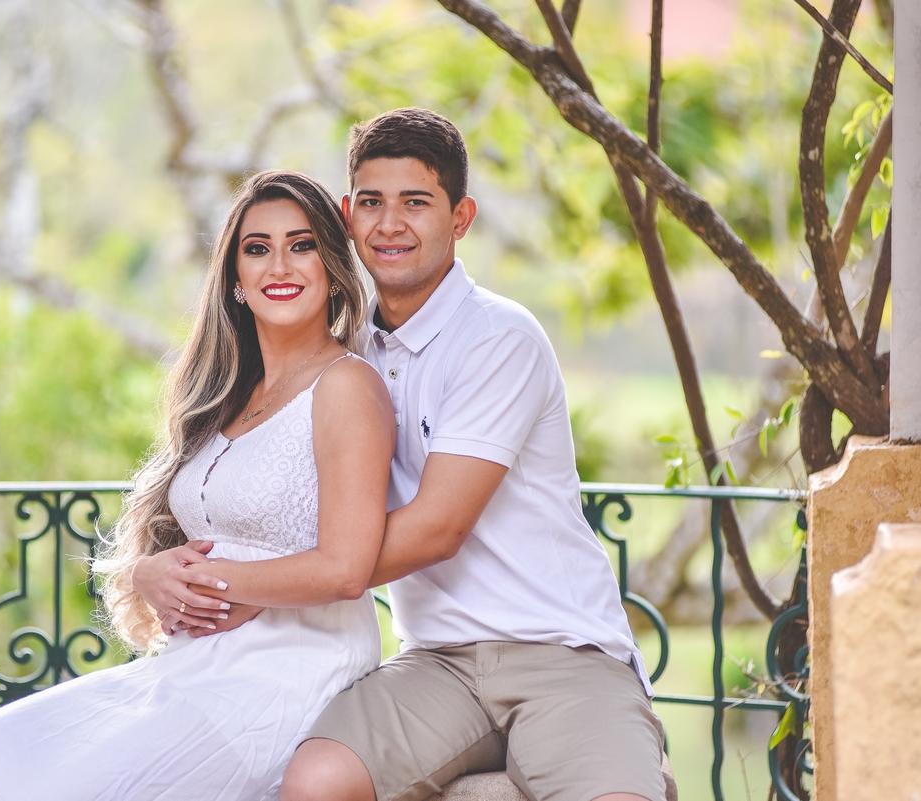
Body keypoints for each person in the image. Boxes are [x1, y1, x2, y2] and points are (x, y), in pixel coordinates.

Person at [159, 108, 671, 801]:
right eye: (371, 202)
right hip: (436, 662)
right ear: (346, 215)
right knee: (315, 781)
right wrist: (161, 572)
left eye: (416, 203)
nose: (389, 224)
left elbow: (438, 527)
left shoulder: (499, 339)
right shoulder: (347, 362)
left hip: (561, 653)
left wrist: (237, 582)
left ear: (460, 218)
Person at [0, 170, 395, 801]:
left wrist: (213, 582)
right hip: (192, 670)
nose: (279, 264)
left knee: (62, 788)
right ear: (235, 278)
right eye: (257, 248)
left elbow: (346, 569)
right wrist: (147, 574)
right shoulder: (228, 395)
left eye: (302, 244)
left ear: (332, 267)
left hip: (285, 679)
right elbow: (198, 535)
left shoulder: (346, 386)